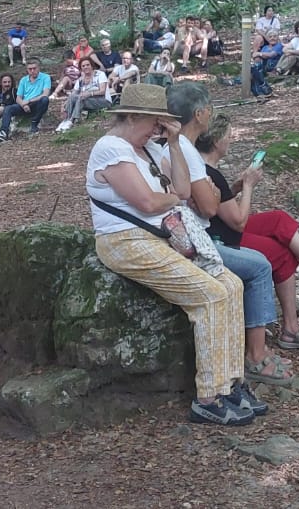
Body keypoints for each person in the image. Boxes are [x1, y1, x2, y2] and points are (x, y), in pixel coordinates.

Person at [85, 84, 262, 426]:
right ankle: (208, 396)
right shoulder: (111, 148)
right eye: (154, 121)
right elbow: (150, 202)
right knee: (210, 295)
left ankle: (230, 382)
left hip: (164, 235)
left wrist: (176, 143)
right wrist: (171, 200)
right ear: (133, 116)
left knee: (232, 285)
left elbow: (181, 190)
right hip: (126, 241)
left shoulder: (149, 148)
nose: (158, 129)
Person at [196, 114, 299, 351]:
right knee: (282, 255)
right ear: (216, 141)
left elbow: (219, 205)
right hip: (222, 237)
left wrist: (234, 188)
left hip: (219, 226)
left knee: (279, 219)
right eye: (228, 137)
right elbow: (238, 222)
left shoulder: (202, 167)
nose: (230, 141)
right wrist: (247, 187)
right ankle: (291, 328)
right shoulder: (208, 172)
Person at [166, 84, 295, 388]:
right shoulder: (187, 150)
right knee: (260, 266)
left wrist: (214, 194)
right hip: (197, 240)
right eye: (208, 108)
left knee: (265, 250)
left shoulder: (179, 148)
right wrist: (236, 189)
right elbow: (210, 208)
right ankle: (256, 354)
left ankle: (272, 339)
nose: (211, 113)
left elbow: (205, 200)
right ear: (199, 114)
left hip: (197, 233)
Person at [0, 59, 52, 140]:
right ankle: (3, 132)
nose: (32, 71)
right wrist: (23, 105)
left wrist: (28, 101)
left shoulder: (46, 77)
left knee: (44, 100)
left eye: (34, 68)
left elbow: (45, 94)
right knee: (8, 108)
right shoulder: (24, 80)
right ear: (27, 70)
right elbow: (18, 97)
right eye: (30, 69)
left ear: (38, 68)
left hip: (37, 103)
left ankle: (34, 123)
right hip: (24, 105)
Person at [55, 55, 111, 133]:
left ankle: (72, 120)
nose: (86, 67)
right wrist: (65, 103)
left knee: (81, 98)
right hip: (87, 100)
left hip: (103, 101)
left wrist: (89, 94)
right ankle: (66, 120)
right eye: (83, 66)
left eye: (88, 65)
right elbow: (73, 94)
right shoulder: (81, 79)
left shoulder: (100, 74)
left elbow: (102, 91)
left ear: (92, 65)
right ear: (81, 68)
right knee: (73, 96)